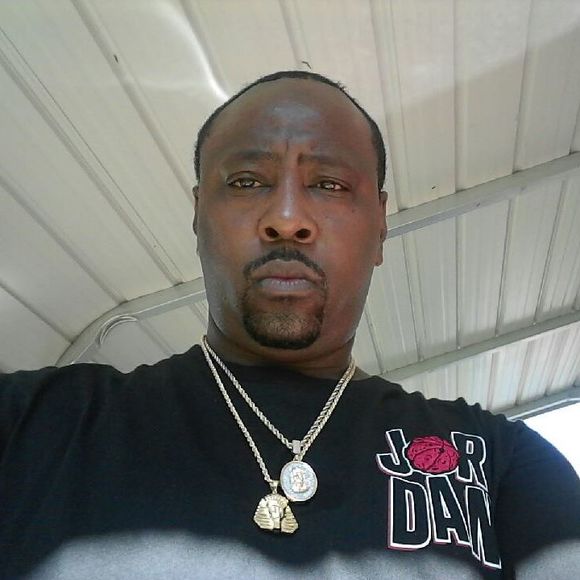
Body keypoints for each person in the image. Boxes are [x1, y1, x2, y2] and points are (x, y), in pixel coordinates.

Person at [0, 70, 578, 579]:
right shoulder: (32, 426)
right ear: (198, 215)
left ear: (380, 226)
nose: (286, 218)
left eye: (328, 185)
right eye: (247, 181)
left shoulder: (502, 464)